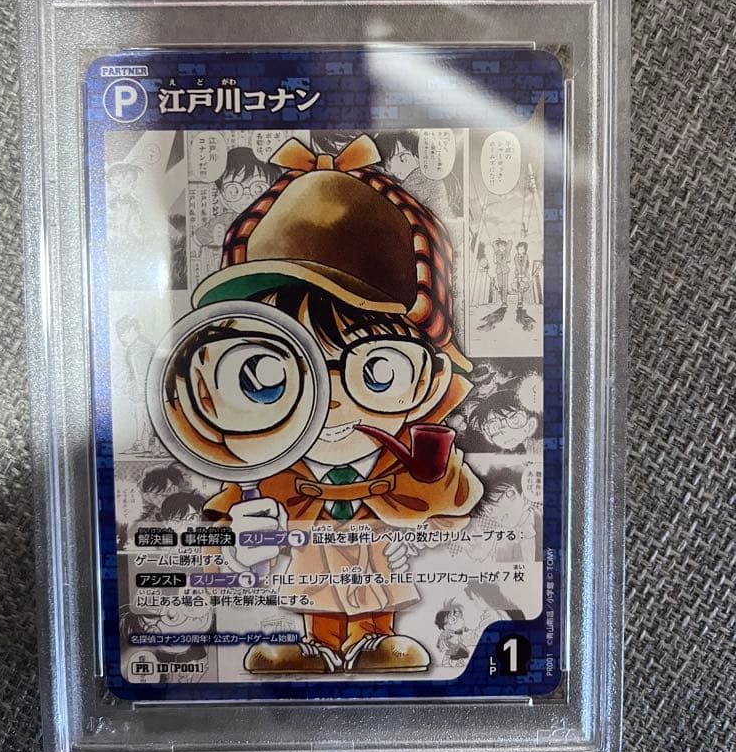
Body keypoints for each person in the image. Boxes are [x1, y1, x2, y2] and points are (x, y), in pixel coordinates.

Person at [157, 134, 483, 674]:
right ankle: (318, 645)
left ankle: (375, 638)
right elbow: (224, 532)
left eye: (376, 371)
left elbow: (451, 503)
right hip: (308, 558)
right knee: (316, 593)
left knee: (375, 597)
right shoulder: (269, 468)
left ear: (428, 376)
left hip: (376, 554)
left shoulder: (406, 457)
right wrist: (242, 544)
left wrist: (418, 526)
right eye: (272, 373)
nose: (329, 402)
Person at [116, 316, 157, 453]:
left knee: (143, 414)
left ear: (133, 329)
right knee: (140, 413)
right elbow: (131, 371)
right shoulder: (135, 347)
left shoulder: (140, 348)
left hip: (144, 389)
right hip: (140, 388)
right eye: (120, 334)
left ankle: (146, 444)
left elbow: (141, 373)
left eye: (124, 333)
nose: (121, 337)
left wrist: (141, 392)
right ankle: (143, 443)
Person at [435, 600, 473, 666]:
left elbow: (465, 630)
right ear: (445, 625)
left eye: (461, 616)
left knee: (463, 653)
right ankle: (447, 663)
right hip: (450, 646)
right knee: (450, 655)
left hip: (457, 645)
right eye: (454, 618)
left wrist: (467, 630)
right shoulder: (447, 632)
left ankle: (459, 662)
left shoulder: (460, 630)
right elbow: (441, 638)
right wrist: (440, 644)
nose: (461, 619)